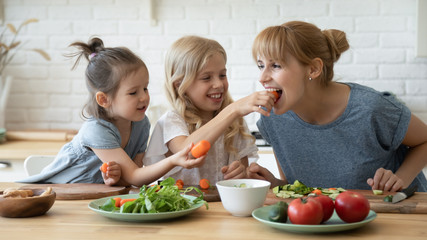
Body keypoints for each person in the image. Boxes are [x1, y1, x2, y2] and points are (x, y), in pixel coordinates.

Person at [247, 21, 427, 192]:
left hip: (399, 215)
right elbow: (296, 186)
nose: (262, 78)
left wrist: (400, 179)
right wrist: (274, 184)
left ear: (313, 69)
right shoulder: (274, 119)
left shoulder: (371, 109)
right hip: (328, 222)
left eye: (276, 65)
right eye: (261, 65)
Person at [19, 37, 205, 186]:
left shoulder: (141, 124)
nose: (144, 97)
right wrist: (173, 160)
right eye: (133, 92)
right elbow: (135, 176)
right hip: (59, 193)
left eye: (145, 88)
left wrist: (115, 180)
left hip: (95, 197)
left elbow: (133, 179)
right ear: (104, 99)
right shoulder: (96, 130)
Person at [144, 36, 276, 185]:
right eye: (206, 78)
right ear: (179, 84)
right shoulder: (172, 120)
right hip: (185, 206)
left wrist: (241, 172)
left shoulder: (235, 122)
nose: (219, 84)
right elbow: (188, 153)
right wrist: (233, 109)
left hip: (222, 207)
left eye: (222, 75)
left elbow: (243, 176)